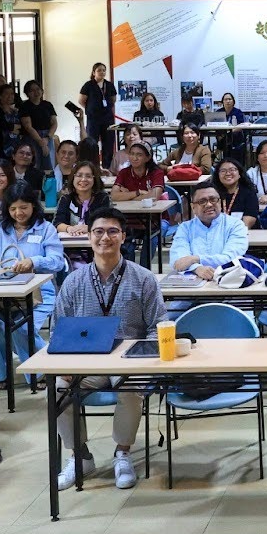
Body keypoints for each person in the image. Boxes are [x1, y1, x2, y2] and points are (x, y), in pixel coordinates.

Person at [51, 208, 164, 491]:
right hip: (86, 362)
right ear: (89, 237)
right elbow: (59, 328)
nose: (105, 238)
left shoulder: (143, 278)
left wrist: (142, 361)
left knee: (131, 387)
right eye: (98, 232)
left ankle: (122, 453)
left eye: (113, 231)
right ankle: (80, 456)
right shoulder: (73, 281)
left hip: (128, 360)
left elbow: (157, 326)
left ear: (123, 237)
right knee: (55, 388)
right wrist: (63, 366)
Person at [0, 183, 66, 388]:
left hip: (38, 294)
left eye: (23, 207)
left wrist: (35, 261)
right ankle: (3, 374)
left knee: (21, 329)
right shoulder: (0, 230)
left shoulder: (45, 229)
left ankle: (41, 371)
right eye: (13, 208)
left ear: (34, 206)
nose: (19, 213)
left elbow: (58, 261)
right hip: (3, 292)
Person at [171, 183, 255, 283]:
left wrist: (196, 259)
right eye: (202, 201)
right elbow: (178, 261)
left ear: (220, 202)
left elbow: (230, 258)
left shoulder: (236, 225)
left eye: (213, 199)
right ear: (193, 207)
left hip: (230, 284)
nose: (209, 204)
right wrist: (196, 268)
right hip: (192, 286)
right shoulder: (185, 228)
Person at [53, 160, 108, 271]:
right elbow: (57, 223)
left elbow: (106, 222)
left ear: (94, 179)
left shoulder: (102, 198)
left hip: (96, 248)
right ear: (73, 178)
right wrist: (69, 228)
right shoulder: (66, 199)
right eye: (79, 175)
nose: (83, 179)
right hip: (69, 248)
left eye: (88, 176)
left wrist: (89, 227)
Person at [78, 62, 118, 167]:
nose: (102, 72)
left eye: (104, 70)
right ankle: (92, 167)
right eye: (99, 70)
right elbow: (81, 100)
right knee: (92, 143)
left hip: (107, 119)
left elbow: (113, 100)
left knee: (108, 144)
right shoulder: (88, 85)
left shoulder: (109, 85)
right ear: (94, 72)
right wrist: (91, 109)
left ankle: (107, 167)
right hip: (93, 119)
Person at [19, 79, 58, 170]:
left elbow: (54, 123)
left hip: (47, 137)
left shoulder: (47, 104)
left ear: (42, 91)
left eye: (38, 89)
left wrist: (48, 138)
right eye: (32, 90)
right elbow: (28, 127)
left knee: (49, 165)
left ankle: (48, 184)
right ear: (27, 93)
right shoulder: (25, 106)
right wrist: (42, 143)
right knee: (34, 165)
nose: (36, 92)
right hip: (32, 138)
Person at [211, 158, 261, 228]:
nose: (228, 173)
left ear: (239, 174)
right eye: (223, 171)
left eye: (232, 170)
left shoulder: (249, 193)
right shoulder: (213, 194)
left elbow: (249, 221)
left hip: (244, 234)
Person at [0, 84, 23, 160]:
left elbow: (22, 127)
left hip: (16, 146)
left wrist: (16, 128)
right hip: (2, 147)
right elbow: (2, 125)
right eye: (6, 94)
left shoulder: (15, 111)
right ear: (0, 96)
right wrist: (14, 127)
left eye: (12, 94)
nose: (10, 96)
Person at [43, 140, 79, 208]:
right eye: (63, 152)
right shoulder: (49, 177)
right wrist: (57, 195)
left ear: (76, 157)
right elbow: (43, 198)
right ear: (57, 154)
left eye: (70, 153)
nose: (66, 156)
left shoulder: (82, 176)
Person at [214, 92, 249, 158]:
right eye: (225, 99)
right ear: (223, 102)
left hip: (235, 136)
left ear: (233, 101)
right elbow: (215, 124)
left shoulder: (238, 112)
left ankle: (216, 154)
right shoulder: (219, 112)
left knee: (226, 138)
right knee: (223, 137)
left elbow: (241, 125)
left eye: (230, 99)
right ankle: (220, 156)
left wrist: (229, 131)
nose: (228, 101)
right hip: (223, 136)